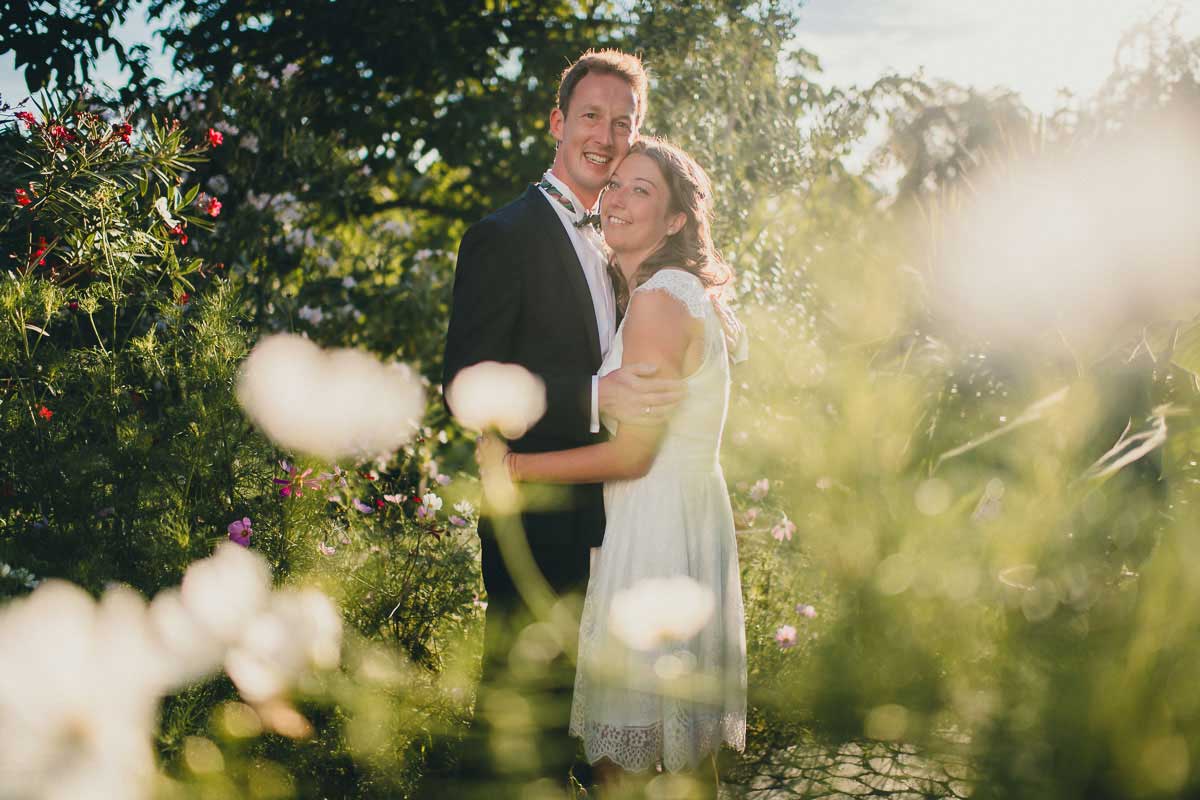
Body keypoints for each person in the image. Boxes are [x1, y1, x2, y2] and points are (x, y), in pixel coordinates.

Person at [441, 50, 684, 792]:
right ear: (557, 123)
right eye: (591, 117)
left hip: (606, 519)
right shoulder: (504, 235)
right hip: (538, 519)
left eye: (624, 122)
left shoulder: (618, 248)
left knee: (576, 731)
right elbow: (466, 385)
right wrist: (592, 397)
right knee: (523, 728)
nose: (605, 136)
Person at [481, 138, 748, 785]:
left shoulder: (659, 300)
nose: (618, 199)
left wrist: (514, 470)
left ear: (678, 219)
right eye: (617, 184)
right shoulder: (671, 293)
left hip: (656, 532)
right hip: (679, 519)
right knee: (686, 758)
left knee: (617, 764)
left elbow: (631, 455)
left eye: (642, 190)